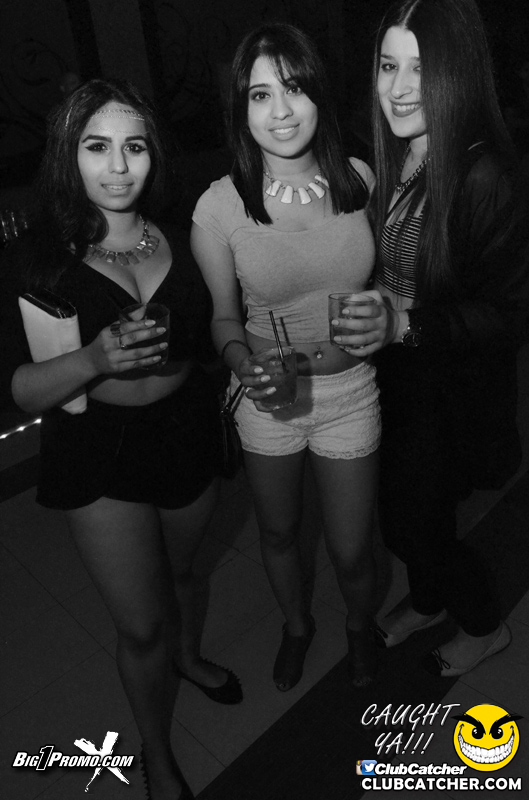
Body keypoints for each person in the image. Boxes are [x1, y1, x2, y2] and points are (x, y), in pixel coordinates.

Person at [0, 78, 243, 800]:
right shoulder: (38, 258)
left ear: (153, 154)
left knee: (185, 577)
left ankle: (189, 658)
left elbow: (212, 332)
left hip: (185, 430)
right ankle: (156, 751)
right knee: (139, 627)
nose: (117, 166)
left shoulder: (182, 237)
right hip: (97, 449)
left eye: (134, 146)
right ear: (67, 155)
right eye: (96, 146)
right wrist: (93, 360)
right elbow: (19, 389)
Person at [334, 0, 529, 676]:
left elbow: (511, 314)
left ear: (459, 74)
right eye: (388, 65)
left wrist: (404, 322)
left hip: (449, 387)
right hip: (395, 373)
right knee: (411, 512)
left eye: (421, 68)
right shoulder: (393, 154)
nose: (398, 88)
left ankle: (483, 625)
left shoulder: (485, 175)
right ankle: (425, 600)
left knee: (411, 522)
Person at [191, 23, 381, 690]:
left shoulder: (360, 179)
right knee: (278, 534)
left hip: (350, 392)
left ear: (318, 94)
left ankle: (359, 627)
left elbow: (390, 284)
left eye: (294, 88)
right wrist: (240, 360)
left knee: (352, 549)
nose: (280, 110)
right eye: (259, 94)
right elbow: (222, 316)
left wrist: (387, 313)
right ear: (240, 109)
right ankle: (296, 626)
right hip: (269, 399)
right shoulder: (219, 207)